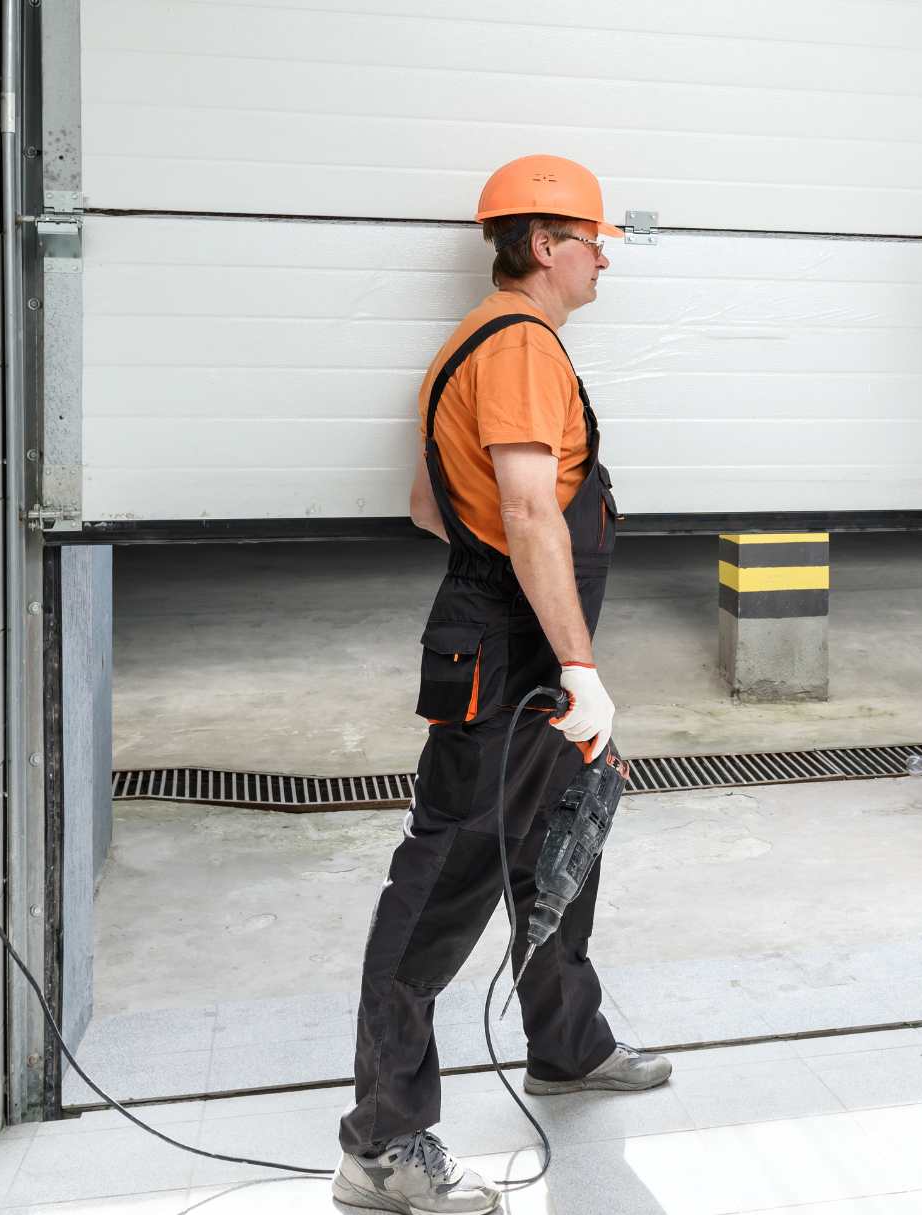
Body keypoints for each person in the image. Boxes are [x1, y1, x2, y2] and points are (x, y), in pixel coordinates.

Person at [334, 154, 672, 1215]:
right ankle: (382, 1145)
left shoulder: (484, 346)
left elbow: (427, 504)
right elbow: (527, 516)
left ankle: (567, 1048)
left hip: (508, 639)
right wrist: (577, 664)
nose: (602, 257)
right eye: (590, 241)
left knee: (556, 849)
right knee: (445, 885)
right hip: (507, 656)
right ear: (540, 246)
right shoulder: (522, 346)